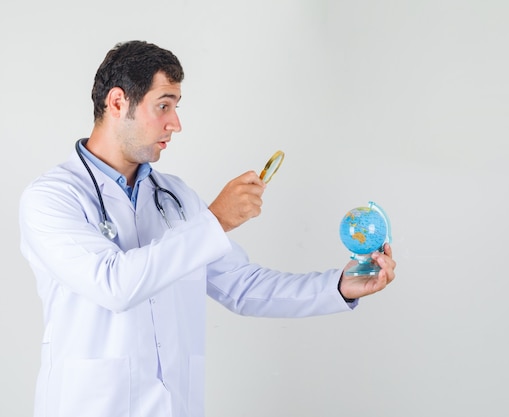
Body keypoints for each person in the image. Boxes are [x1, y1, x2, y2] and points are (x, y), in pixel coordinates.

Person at [19, 40, 396, 417]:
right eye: (163, 105)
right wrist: (215, 221)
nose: (176, 124)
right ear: (118, 103)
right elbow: (113, 284)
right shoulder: (52, 198)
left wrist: (338, 286)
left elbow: (243, 287)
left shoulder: (176, 197)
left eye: (176, 107)